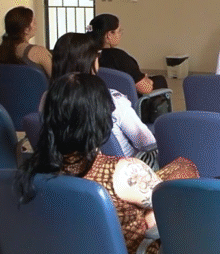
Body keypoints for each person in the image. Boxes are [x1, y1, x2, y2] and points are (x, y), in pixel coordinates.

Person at [15, 72, 197, 254]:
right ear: (102, 117)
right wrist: (152, 213)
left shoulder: (31, 174)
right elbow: (174, 206)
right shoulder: (123, 171)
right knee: (185, 170)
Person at [50, 32, 156, 160]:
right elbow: (148, 143)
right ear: (90, 61)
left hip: (69, 172)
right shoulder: (112, 101)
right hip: (119, 172)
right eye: (97, 55)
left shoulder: (48, 98)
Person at [89, 13, 169, 123]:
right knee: (160, 80)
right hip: (128, 111)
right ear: (109, 35)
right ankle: (162, 123)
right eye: (119, 31)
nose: (120, 34)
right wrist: (148, 81)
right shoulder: (118, 57)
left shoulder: (86, 55)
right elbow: (145, 89)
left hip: (99, 108)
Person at [0, 6, 52, 79]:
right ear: (26, 29)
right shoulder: (38, 51)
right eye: (34, 22)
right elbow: (58, 78)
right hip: (38, 90)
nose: (36, 25)